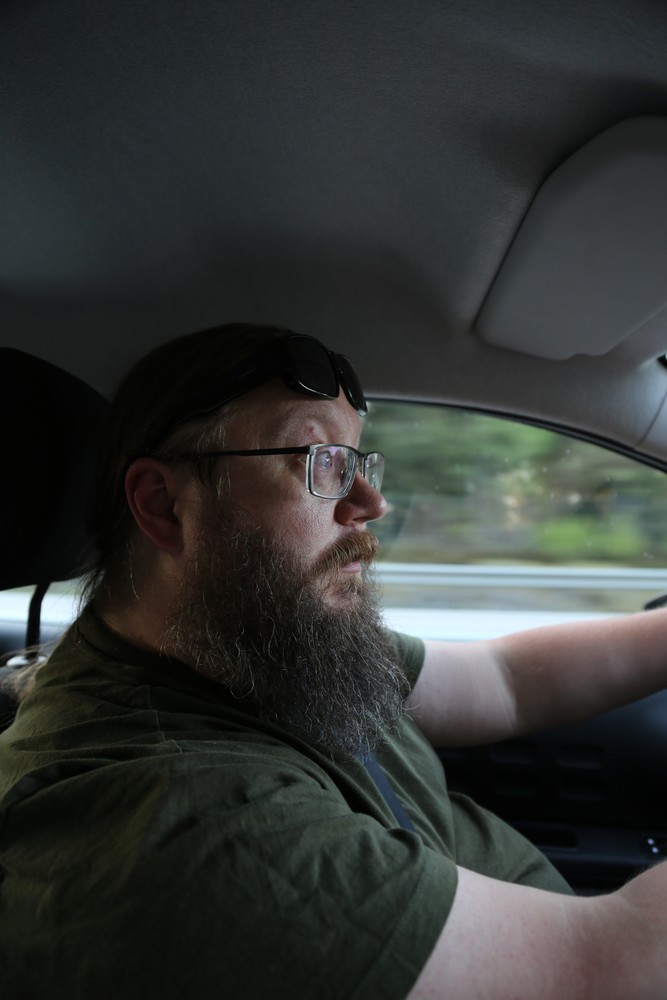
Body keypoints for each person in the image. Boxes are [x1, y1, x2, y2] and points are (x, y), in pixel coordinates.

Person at [0, 322, 665, 1000]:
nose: (372, 504)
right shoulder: (188, 832)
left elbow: (504, 681)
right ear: (164, 506)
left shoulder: (255, 641)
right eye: (319, 461)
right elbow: (619, 965)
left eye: (357, 462)